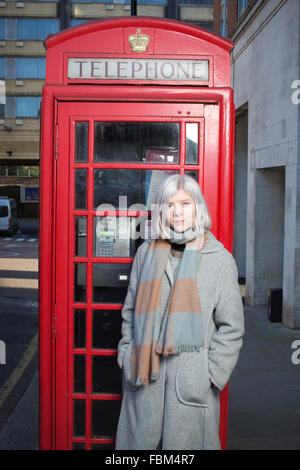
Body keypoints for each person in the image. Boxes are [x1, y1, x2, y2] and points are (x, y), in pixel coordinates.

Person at [115, 174, 244, 450]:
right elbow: (129, 311)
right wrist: (127, 354)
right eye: (170, 205)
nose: (178, 212)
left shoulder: (219, 261)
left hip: (190, 390)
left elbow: (232, 327)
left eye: (185, 203)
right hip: (144, 384)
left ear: (197, 206)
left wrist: (210, 373)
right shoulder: (146, 253)